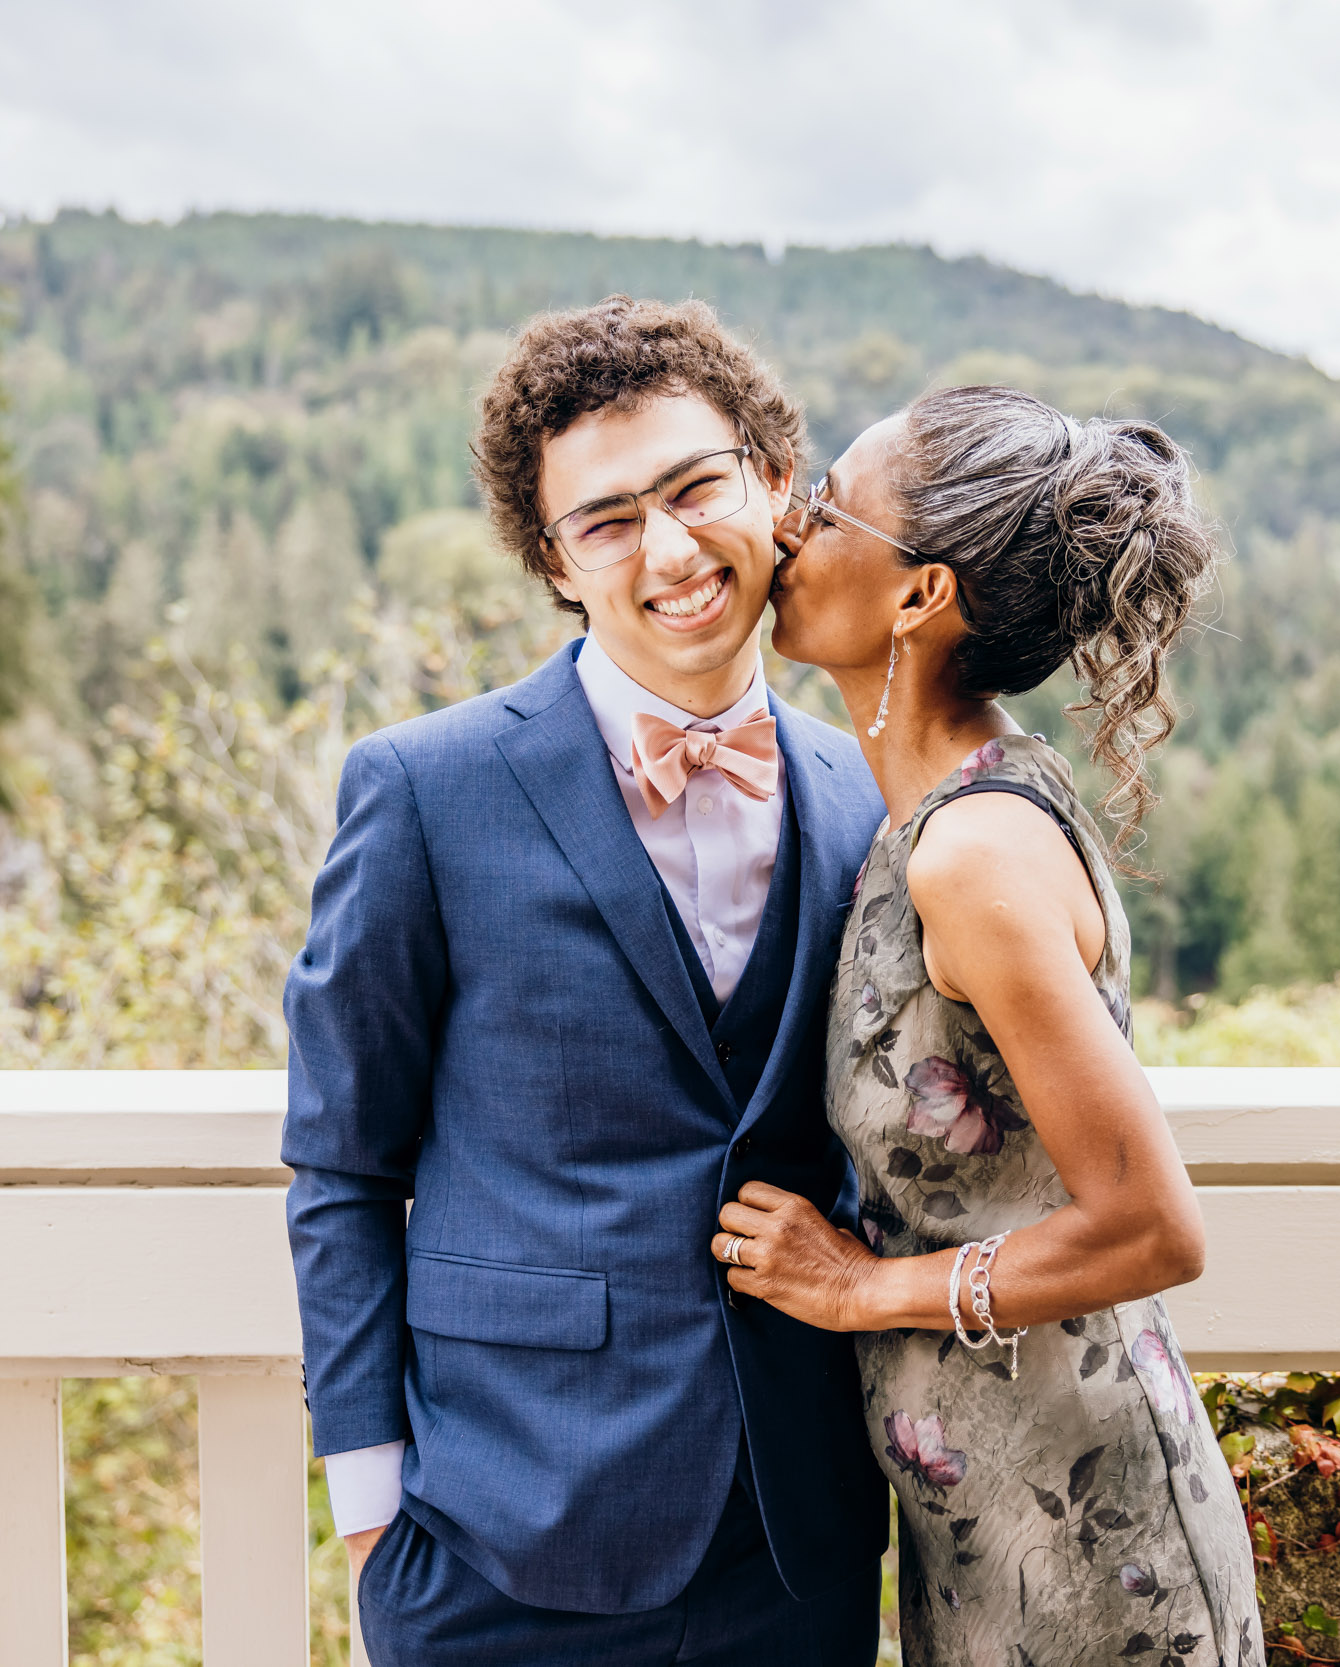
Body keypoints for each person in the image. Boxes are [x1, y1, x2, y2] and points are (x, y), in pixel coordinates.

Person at [282, 296, 888, 1665]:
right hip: (502, 1539)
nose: (668, 549)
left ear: (776, 485)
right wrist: (373, 1514)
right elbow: (341, 1162)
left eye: (696, 488)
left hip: (798, 1542)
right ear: (556, 561)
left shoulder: (867, 791)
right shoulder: (424, 791)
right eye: (608, 520)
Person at [717, 384, 1266, 1667]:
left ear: (920, 596)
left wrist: (862, 1290)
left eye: (827, 507)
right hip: (983, 1520)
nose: (789, 530)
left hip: (1089, 1548)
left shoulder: (972, 853)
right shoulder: (934, 807)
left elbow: (1152, 1222)